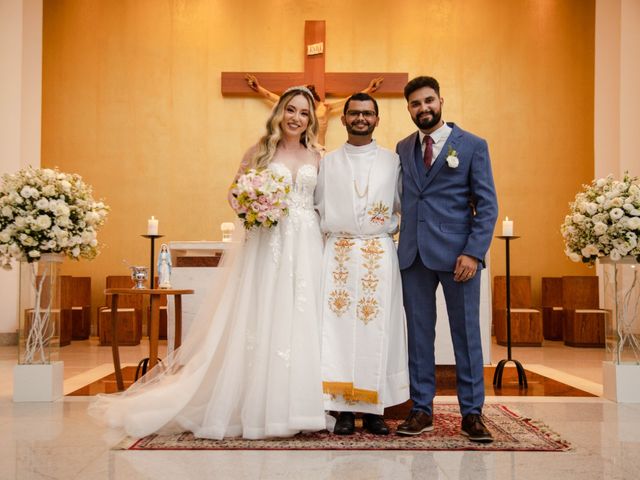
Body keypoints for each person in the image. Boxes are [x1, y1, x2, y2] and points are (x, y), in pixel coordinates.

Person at [90, 86, 326, 440]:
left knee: (303, 316)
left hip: (307, 243)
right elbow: (235, 193)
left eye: (303, 113)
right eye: (290, 110)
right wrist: (255, 205)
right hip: (268, 243)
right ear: (279, 112)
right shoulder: (260, 152)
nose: (296, 118)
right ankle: (261, 407)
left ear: (311, 120)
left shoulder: (319, 156)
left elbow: (324, 202)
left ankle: (303, 407)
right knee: (265, 314)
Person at [395, 76, 498, 442]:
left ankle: (472, 414)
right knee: (419, 336)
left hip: (459, 257)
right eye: (415, 104)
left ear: (441, 100)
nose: (423, 108)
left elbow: (487, 205)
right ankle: (422, 408)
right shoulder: (403, 147)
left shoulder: (471, 146)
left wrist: (473, 251)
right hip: (413, 255)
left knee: (467, 336)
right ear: (408, 109)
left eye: (428, 101)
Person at [315, 92, 409, 436]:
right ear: (343, 119)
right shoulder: (328, 162)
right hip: (338, 251)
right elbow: (315, 207)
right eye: (354, 113)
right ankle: (340, 408)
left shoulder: (392, 161)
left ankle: (374, 410)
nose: (360, 118)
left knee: (378, 329)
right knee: (336, 331)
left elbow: (402, 205)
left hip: (378, 253)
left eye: (367, 114)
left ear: (377, 119)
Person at [245, 74, 384, 145]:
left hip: (318, 146)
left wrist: (369, 90)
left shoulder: (325, 107)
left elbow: (350, 100)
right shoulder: (299, 108)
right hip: (299, 145)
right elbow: (274, 98)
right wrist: (258, 88)